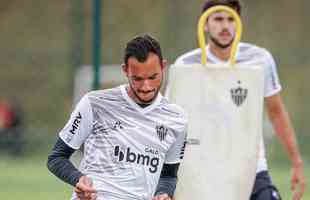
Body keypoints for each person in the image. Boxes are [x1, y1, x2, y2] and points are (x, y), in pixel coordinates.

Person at [168, 0, 306, 200]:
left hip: (251, 168)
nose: (225, 25)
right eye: (218, 19)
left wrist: (296, 163)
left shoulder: (260, 60)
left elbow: (276, 112)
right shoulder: (186, 65)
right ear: (205, 24)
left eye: (231, 19)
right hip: (203, 170)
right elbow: (172, 122)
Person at [47, 34, 187, 200]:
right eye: (137, 79)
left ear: (163, 67)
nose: (146, 86)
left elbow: (169, 175)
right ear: (125, 70)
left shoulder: (177, 119)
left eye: (153, 77)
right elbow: (56, 157)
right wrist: (79, 179)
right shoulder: (95, 103)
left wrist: (163, 194)